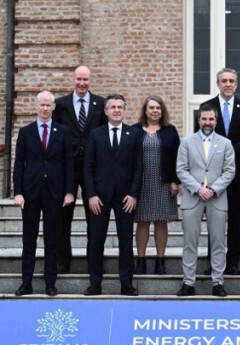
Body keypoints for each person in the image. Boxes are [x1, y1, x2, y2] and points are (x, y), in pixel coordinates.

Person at [13, 91, 75, 296]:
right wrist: (18, 192)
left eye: (49, 105)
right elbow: (18, 165)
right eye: (42, 105)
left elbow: (69, 163)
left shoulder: (64, 132)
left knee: (52, 239)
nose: (45, 108)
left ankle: (50, 282)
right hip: (30, 192)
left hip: (55, 192)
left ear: (53, 107)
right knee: (28, 239)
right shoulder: (26, 132)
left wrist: (69, 191)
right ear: (36, 106)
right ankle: (26, 283)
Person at [83, 94, 143, 296]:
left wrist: (134, 194)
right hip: (99, 197)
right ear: (106, 111)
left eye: (120, 107)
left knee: (126, 241)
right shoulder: (95, 134)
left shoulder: (133, 134)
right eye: (113, 107)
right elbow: (88, 166)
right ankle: (95, 283)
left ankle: (126, 283)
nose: (117, 110)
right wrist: (90, 194)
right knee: (96, 240)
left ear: (124, 110)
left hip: (125, 198)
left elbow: (138, 167)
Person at [200, 67, 240, 276]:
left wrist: (237, 158)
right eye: (224, 81)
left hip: (237, 172)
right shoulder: (208, 107)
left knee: (235, 218)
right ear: (218, 84)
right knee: (214, 219)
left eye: (231, 81)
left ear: (236, 84)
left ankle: (233, 261)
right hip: (212, 173)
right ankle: (213, 261)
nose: (228, 84)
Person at [52, 65, 108, 273]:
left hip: (94, 169)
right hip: (67, 168)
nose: (82, 83)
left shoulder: (100, 104)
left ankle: (94, 261)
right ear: (73, 80)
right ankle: (62, 261)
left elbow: (104, 134)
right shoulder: (60, 105)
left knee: (94, 216)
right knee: (62, 217)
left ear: (90, 80)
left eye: (85, 79)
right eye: (79, 79)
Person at [175, 103, 235, 297]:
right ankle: (188, 282)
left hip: (217, 198)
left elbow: (230, 171)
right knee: (189, 242)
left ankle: (218, 282)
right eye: (204, 119)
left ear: (216, 121)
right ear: (198, 120)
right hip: (193, 197)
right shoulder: (187, 142)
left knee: (218, 242)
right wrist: (198, 188)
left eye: (211, 119)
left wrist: (214, 189)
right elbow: (181, 169)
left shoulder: (225, 143)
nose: (207, 122)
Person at [132, 95, 181, 275]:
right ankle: (141, 261)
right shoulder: (135, 130)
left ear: (162, 111)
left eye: (158, 108)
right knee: (142, 221)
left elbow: (177, 157)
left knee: (161, 222)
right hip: (141, 183)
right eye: (151, 108)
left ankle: (160, 261)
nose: (154, 111)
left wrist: (175, 180)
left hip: (164, 182)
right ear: (145, 110)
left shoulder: (170, 130)